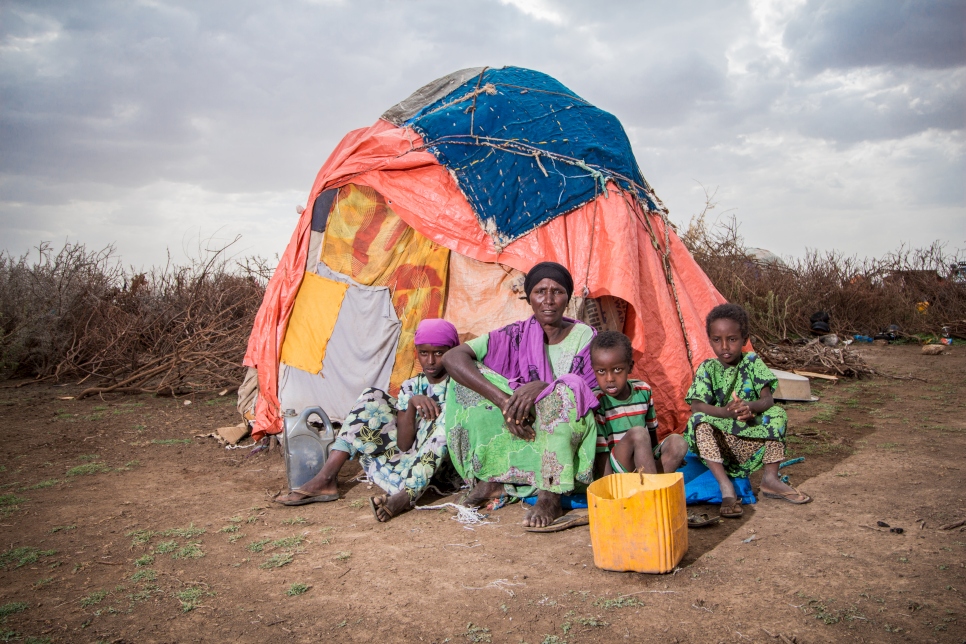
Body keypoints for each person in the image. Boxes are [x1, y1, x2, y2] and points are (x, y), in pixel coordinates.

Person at [442, 262, 599, 529]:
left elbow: (587, 392)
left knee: (566, 389)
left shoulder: (585, 336)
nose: (548, 300)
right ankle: (495, 478)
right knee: (464, 382)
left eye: (557, 292)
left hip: (565, 422)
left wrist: (543, 387)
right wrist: (504, 401)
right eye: (540, 291)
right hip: (519, 419)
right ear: (529, 297)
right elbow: (452, 357)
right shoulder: (515, 335)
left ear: (568, 297)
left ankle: (550, 493)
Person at [275, 318, 460, 523]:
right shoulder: (412, 386)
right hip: (410, 460)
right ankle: (326, 478)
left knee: (449, 417)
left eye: (439, 353)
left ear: (452, 352)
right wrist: (410, 404)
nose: (431, 361)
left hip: (441, 467)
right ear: (417, 352)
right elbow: (403, 444)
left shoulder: (459, 383)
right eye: (424, 353)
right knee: (371, 397)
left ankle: (405, 497)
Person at [684, 303, 811, 518]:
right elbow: (697, 405)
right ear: (710, 340)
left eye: (732, 339)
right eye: (717, 340)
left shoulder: (752, 362)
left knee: (778, 414)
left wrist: (749, 407)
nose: (725, 346)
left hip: (749, 435)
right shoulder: (707, 368)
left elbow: (767, 400)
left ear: (744, 339)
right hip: (720, 442)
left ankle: (770, 479)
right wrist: (725, 412)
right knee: (698, 420)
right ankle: (725, 487)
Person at [589, 331, 687, 477]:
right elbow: (601, 451)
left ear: (630, 367)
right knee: (638, 433)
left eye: (617, 370)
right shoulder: (597, 399)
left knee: (678, 443)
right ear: (594, 370)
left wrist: (658, 456)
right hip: (619, 464)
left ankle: (649, 482)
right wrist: (609, 487)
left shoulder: (643, 390)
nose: (609, 378)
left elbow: (652, 431)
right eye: (601, 371)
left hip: (643, 458)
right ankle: (651, 491)